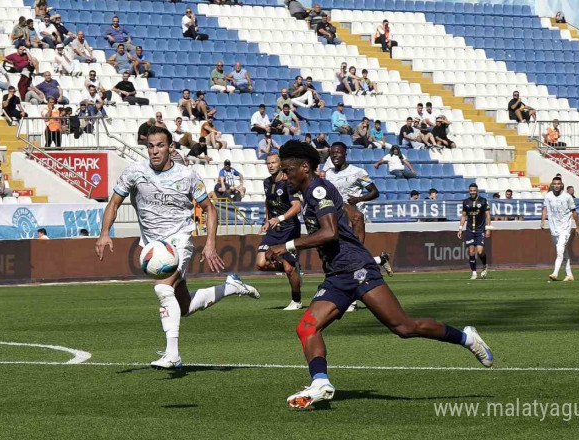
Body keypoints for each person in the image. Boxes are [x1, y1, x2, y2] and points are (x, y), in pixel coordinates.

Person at [268, 141, 493, 409]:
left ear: (305, 167)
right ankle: (320, 382)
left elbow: (330, 232)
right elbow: (349, 218)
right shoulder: (313, 193)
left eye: (288, 169)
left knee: (404, 328)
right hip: (338, 274)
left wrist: (288, 246)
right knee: (307, 327)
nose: (284, 176)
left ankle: (467, 338)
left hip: (357, 269)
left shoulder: (317, 189)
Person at [95, 126, 260, 369]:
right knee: (182, 307)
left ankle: (173, 353)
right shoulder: (134, 172)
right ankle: (230, 287)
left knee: (162, 289)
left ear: (170, 147)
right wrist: (104, 233)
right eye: (150, 146)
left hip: (178, 241)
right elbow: (115, 202)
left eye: (160, 145)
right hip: (152, 245)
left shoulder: (187, 175)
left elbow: (209, 208)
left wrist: (210, 244)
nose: (154, 151)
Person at [322, 142, 392, 284]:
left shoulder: (357, 172)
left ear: (345, 154)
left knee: (353, 254)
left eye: (338, 152)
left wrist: (358, 199)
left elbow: (375, 192)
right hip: (337, 218)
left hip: (355, 217)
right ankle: (379, 260)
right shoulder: (328, 174)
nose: (335, 155)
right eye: (332, 152)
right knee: (347, 255)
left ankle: (353, 297)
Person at [256, 154, 304, 310]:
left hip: (290, 229)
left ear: (280, 164)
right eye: (268, 163)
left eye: (273, 162)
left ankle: (296, 301)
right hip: (274, 230)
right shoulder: (266, 182)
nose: (270, 165)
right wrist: (266, 220)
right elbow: (268, 202)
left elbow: (297, 206)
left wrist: (280, 218)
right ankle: (291, 267)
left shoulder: (288, 184)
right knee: (261, 263)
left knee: (289, 270)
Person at [541, 176, 579, 281]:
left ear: (562, 185)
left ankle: (555, 273)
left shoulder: (567, 197)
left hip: (565, 227)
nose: (557, 186)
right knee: (564, 252)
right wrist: (542, 220)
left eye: (559, 184)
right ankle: (569, 275)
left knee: (559, 250)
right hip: (554, 227)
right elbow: (545, 208)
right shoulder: (548, 196)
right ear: (552, 185)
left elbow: (574, 212)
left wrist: (577, 227)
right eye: (555, 184)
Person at [458, 183, 491, 280]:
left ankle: (485, 265)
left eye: (474, 190)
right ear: (469, 191)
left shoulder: (483, 201)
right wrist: (460, 228)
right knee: (471, 252)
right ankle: (474, 273)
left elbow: (488, 215)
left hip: (480, 230)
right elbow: (464, 216)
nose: (472, 192)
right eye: (471, 190)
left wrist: (488, 228)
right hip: (469, 230)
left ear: (477, 191)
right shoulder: (466, 202)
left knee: (480, 252)